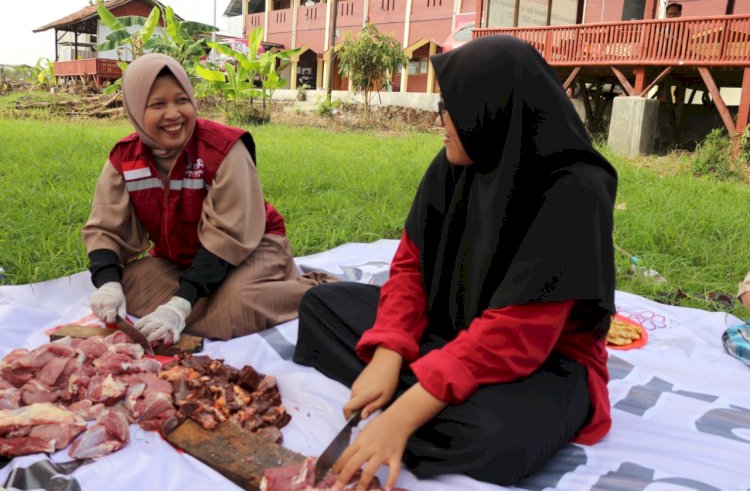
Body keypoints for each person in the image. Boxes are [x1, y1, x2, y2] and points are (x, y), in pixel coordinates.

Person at [293, 35, 618, 489]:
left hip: (544, 361)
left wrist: (403, 415)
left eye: (453, 110)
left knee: (497, 437)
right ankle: (424, 389)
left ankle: (418, 400)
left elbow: (520, 333)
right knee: (321, 306)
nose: (442, 122)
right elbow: (410, 267)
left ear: (496, 110)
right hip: (452, 325)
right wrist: (389, 350)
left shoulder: (575, 189)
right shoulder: (454, 163)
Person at [83, 53, 331, 346]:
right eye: (158, 105)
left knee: (236, 310)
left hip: (250, 248)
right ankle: (206, 296)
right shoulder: (125, 158)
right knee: (128, 286)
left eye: (181, 100)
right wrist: (108, 284)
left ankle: (313, 290)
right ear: (136, 109)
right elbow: (104, 228)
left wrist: (179, 305)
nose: (173, 114)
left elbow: (229, 235)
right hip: (181, 261)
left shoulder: (224, 148)